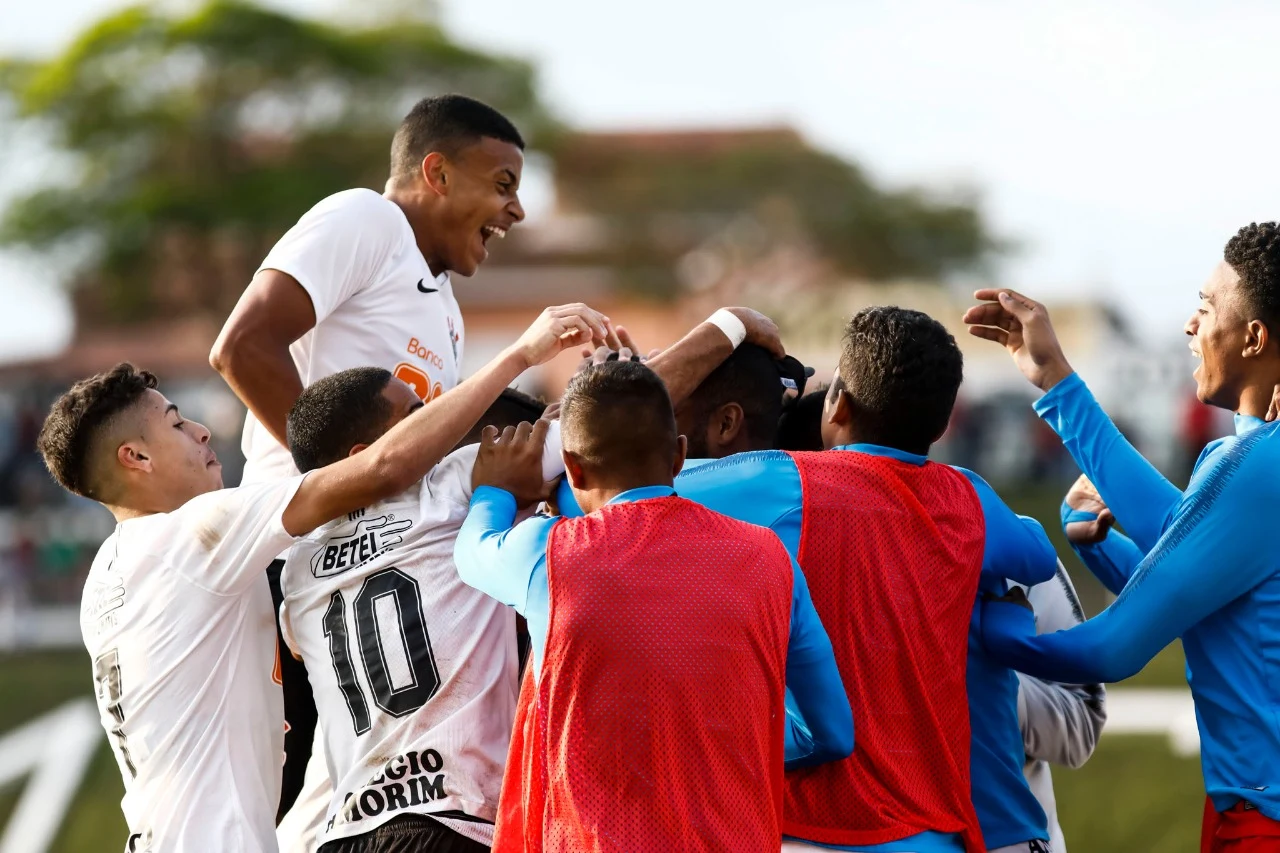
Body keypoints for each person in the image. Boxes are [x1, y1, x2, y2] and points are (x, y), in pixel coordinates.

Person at [38, 304, 609, 852]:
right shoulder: (191, 536)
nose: (202, 431)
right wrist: (521, 355)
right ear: (135, 458)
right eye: (176, 422)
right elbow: (380, 468)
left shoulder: (105, 580)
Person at [276, 315, 781, 853]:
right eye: (418, 415)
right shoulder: (453, 483)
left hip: (346, 831)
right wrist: (732, 324)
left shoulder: (295, 568)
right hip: (454, 819)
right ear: (366, 456)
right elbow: (613, 424)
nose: (442, 424)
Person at [210, 92, 532, 819]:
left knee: (347, 801)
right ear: (437, 172)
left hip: (369, 566)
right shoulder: (367, 218)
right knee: (272, 794)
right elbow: (242, 346)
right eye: (503, 184)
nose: (516, 212)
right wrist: (338, 484)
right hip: (291, 553)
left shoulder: (444, 308)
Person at [667, 307, 1059, 853]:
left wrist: (722, 329)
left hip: (810, 829)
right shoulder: (967, 495)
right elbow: (1037, 557)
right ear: (943, 426)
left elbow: (621, 478)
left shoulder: (785, 479)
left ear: (837, 402)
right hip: (933, 833)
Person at [967, 221, 1280, 852]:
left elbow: (1110, 649)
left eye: (1204, 306)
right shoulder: (1251, 463)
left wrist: (982, 631)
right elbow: (1195, 554)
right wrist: (1099, 542)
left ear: (1253, 336)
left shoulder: (1249, 467)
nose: (1190, 327)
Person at [454, 360, 852, 851]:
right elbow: (831, 733)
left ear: (573, 467)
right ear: (680, 454)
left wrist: (495, 489)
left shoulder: (547, 554)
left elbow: (471, 552)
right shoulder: (768, 556)